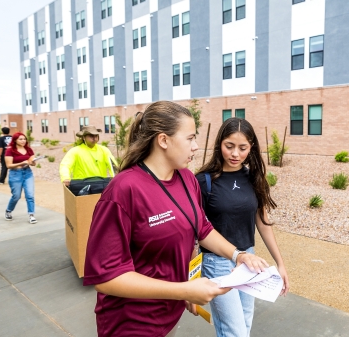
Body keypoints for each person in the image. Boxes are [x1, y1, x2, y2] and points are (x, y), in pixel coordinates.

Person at [83, 101, 269, 337]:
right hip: (130, 323)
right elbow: (106, 278)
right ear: (163, 140)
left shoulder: (186, 178)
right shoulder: (123, 190)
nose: (196, 146)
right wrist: (183, 290)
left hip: (169, 316)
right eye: (190, 138)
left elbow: (201, 228)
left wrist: (238, 255)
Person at [195, 117, 290, 337]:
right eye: (229, 146)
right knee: (234, 332)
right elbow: (195, 231)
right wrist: (191, 280)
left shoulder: (254, 178)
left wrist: (280, 263)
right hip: (216, 263)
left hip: (250, 261)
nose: (235, 153)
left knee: (244, 326)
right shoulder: (204, 181)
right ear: (220, 144)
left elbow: (263, 222)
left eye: (242, 148)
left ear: (251, 148)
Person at [4, 132, 38, 224]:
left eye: (24, 139)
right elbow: (9, 165)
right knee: (16, 196)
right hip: (15, 174)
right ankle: (8, 210)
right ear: (15, 140)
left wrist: (33, 162)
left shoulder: (29, 149)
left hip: (27, 173)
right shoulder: (10, 150)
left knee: (30, 195)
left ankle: (31, 215)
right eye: (21, 139)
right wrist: (22, 163)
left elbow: (33, 162)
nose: (23, 141)